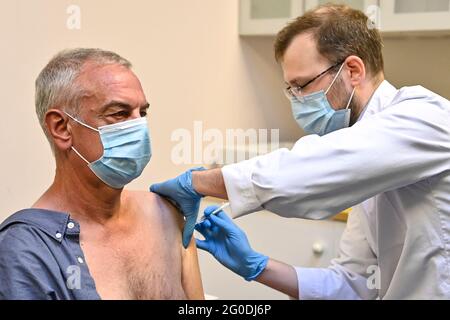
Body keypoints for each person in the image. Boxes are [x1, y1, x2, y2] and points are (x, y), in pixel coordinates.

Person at [151, 4, 450, 299]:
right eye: (290, 90)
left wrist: (199, 182)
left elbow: (306, 173)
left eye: (303, 85)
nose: (297, 101)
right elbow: (353, 285)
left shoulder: (424, 117)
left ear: (353, 71)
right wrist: (256, 265)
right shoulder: (366, 160)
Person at [0, 48, 204, 300]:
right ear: (61, 127)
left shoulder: (167, 216)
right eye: (119, 114)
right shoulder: (27, 250)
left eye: (142, 114)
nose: (138, 128)